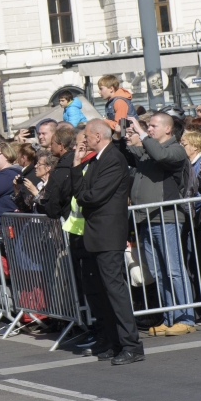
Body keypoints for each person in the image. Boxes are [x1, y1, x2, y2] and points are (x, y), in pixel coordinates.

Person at [72, 119, 142, 365]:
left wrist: (83, 194)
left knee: (115, 290)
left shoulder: (112, 158)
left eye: (87, 136)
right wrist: (77, 166)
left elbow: (92, 195)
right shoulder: (95, 159)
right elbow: (80, 189)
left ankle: (131, 344)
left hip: (108, 232)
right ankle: (115, 343)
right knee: (103, 292)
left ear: (98, 136)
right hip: (95, 233)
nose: (84, 140)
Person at [124, 113, 195, 336]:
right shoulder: (148, 151)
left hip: (166, 218)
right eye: (149, 126)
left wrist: (142, 134)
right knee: (158, 271)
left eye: (154, 126)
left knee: (174, 270)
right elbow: (126, 152)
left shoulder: (175, 150)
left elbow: (161, 156)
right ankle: (169, 316)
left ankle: (186, 317)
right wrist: (119, 134)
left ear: (168, 129)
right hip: (145, 218)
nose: (150, 129)